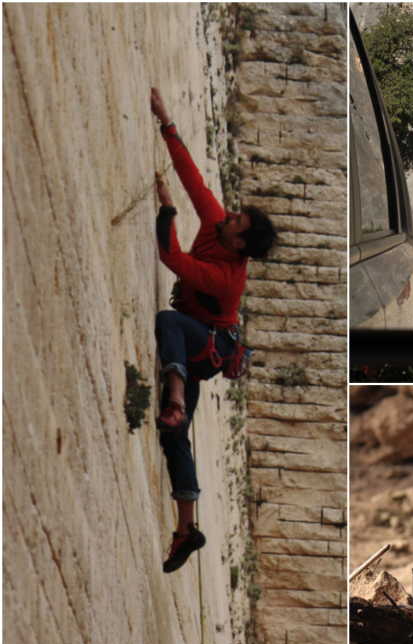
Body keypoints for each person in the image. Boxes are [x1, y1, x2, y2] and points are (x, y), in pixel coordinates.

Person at [150, 87, 278, 573]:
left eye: (236, 220)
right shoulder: (217, 221)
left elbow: (172, 259)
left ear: (239, 241)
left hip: (207, 347)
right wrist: (166, 121)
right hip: (195, 340)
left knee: (168, 322)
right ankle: (186, 529)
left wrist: (166, 211)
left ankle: (176, 397)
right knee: (173, 438)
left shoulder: (228, 279)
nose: (227, 215)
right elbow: (191, 175)